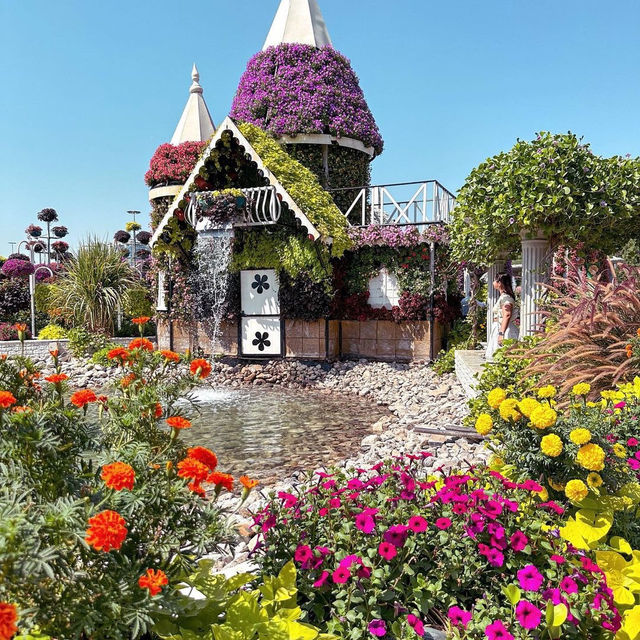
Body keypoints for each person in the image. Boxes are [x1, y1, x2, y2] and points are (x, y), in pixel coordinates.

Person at [486, 272, 519, 361]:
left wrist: (501, 333)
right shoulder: (503, 297)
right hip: (500, 327)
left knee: (503, 355)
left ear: (499, 282)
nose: (493, 282)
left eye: (494, 280)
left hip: (504, 329)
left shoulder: (506, 298)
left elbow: (507, 315)